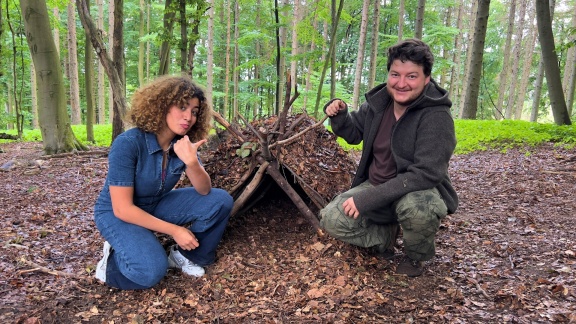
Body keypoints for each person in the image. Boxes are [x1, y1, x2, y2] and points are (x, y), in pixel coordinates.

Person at [319, 39, 458, 277]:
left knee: (419, 210)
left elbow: (426, 173)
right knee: (330, 219)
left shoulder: (437, 116)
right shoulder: (379, 103)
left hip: (415, 190)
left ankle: (415, 257)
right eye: (395, 74)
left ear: (426, 79)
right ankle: (385, 237)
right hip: (376, 184)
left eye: (411, 76)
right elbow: (353, 134)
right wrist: (340, 115)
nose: (401, 83)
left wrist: (368, 199)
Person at [93, 75, 233, 290]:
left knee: (219, 200)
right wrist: (175, 230)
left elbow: (205, 190)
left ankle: (186, 256)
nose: (189, 117)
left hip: (154, 204)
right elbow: (122, 209)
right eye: (182, 108)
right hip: (117, 212)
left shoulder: (182, 144)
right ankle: (110, 263)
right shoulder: (129, 143)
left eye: (194, 112)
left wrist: (192, 163)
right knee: (150, 272)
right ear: (162, 107)